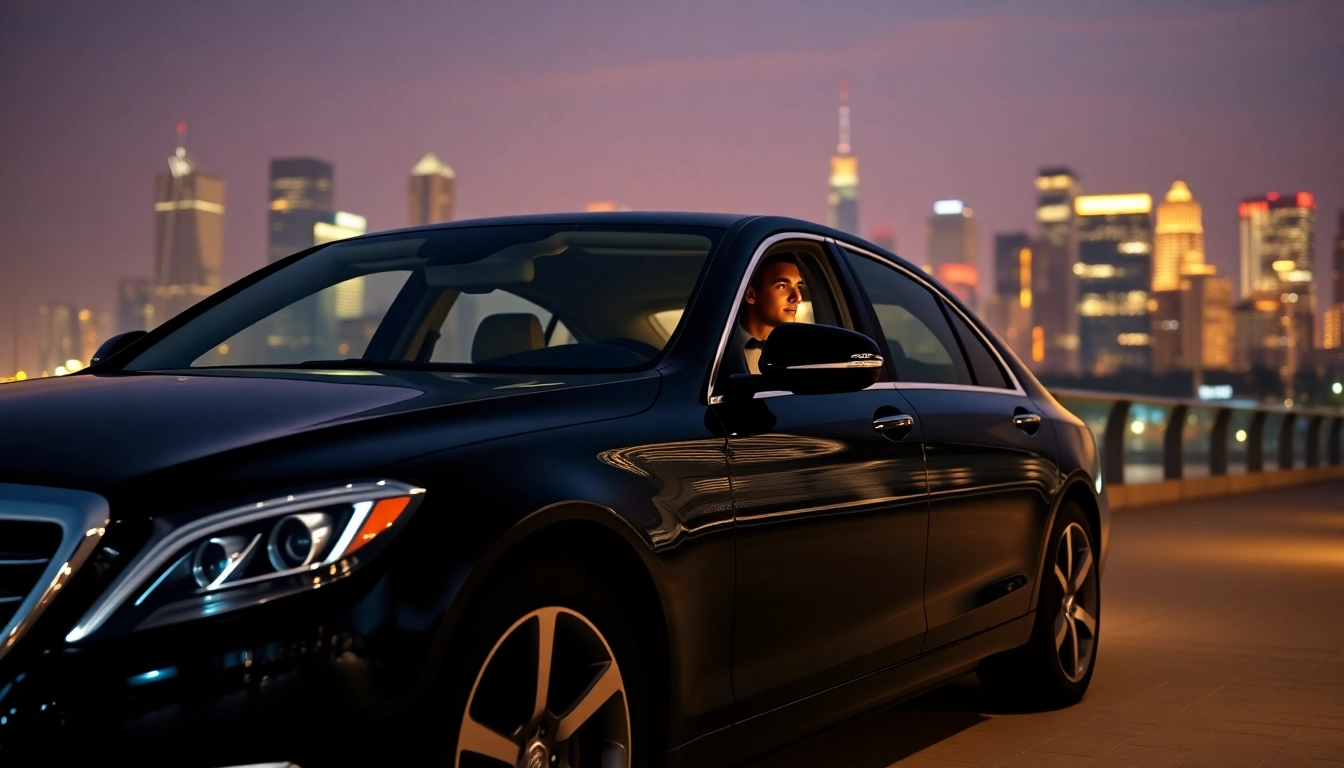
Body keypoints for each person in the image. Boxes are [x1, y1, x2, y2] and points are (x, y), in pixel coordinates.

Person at [735, 253, 804, 374]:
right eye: (782, 286)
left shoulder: (799, 352)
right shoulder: (718, 347)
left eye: (798, 286)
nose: (797, 297)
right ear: (751, 295)